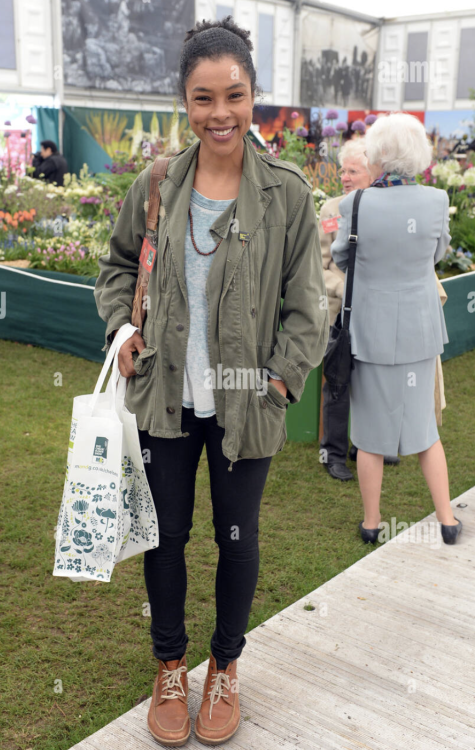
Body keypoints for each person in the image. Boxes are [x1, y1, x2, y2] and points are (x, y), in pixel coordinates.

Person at [94, 15, 328, 747]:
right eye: (203, 98)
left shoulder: (287, 195)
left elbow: (309, 309)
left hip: (245, 408)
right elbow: (116, 267)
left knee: (238, 539)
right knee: (165, 537)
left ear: (253, 95)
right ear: (184, 103)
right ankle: (170, 666)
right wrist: (124, 330)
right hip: (164, 400)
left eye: (233, 95)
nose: (219, 113)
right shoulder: (158, 182)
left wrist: (278, 387)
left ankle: (224, 665)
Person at [331, 112, 462, 547]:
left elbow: (341, 259)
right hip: (421, 330)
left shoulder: (355, 203)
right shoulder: (438, 200)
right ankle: (447, 520)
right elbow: (437, 254)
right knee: (426, 429)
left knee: (368, 436)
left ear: (378, 154)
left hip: (371, 331)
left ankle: (372, 524)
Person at [319, 139, 399, 480]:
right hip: (342, 315)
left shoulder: (393, 209)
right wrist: (346, 288)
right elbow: (318, 269)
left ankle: (366, 446)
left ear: (374, 172)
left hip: (379, 312)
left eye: (354, 170)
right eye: (343, 170)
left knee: (375, 383)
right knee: (337, 383)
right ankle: (332, 453)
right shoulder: (331, 210)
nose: (345, 177)